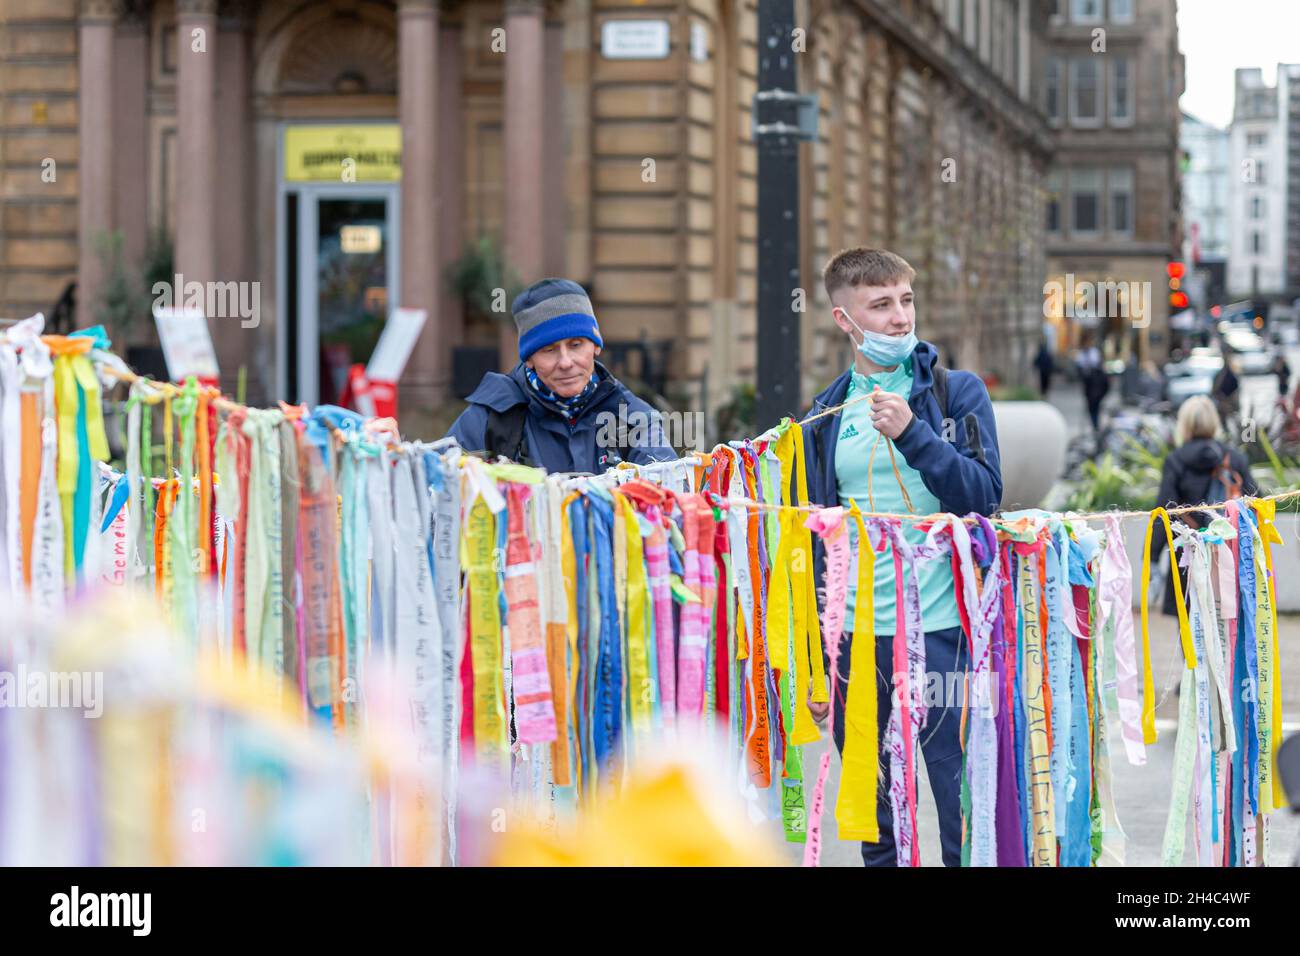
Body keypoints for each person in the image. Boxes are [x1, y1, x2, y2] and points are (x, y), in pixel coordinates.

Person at [800, 247, 1002, 867]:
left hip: (945, 635)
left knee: (960, 805)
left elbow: (984, 497)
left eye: (905, 301)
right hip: (857, 645)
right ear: (844, 320)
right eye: (880, 305)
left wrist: (914, 434)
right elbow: (814, 540)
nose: (898, 318)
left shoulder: (956, 393)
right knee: (877, 816)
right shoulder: (824, 415)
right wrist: (816, 654)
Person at [446, 278, 675, 472]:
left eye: (576, 344)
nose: (565, 362)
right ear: (529, 359)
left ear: (595, 346)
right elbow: (438, 492)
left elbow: (668, 500)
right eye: (549, 350)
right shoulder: (491, 419)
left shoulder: (630, 416)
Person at [1150, 395, 1260, 617]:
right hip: (1227, 551)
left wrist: (1152, 556)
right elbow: (1256, 501)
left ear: (1185, 424)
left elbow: (1164, 512)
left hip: (1188, 552)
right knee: (1228, 623)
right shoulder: (1234, 458)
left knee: (1191, 632)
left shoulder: (1175, 460)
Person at [1075, 334, 1109, 432]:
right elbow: (1080, 369)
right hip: (1089, 386)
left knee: (1096, 407)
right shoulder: (1081, 355)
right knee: (1091, 408)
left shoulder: (1095, 353)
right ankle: (1095, 425)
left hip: (1097, 386)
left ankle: (1096, 425)